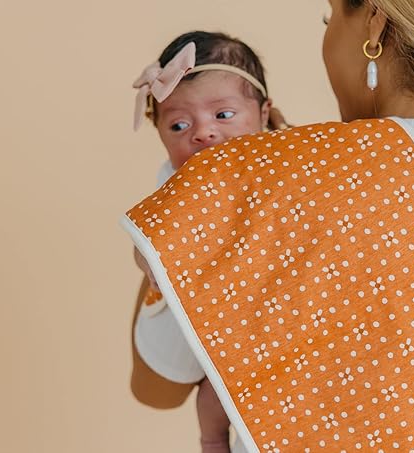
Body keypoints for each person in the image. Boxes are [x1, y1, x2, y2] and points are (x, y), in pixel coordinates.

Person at [126, 1, 414, 451]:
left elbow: (159, 386)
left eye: (330, 18)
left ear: (374, 24)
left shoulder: (270, 180)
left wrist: (210, 189)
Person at [129, 30, 286, 453]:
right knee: (205, 392)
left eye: (223, 114)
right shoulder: (177, 181)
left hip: (257, 322)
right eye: (179, 125)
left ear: (264, 114)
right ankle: (211, 441)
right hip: (187, 308)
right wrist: (150, 263)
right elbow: (144, 239)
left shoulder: (284, 163)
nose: (202, 133)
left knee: (233, 394)